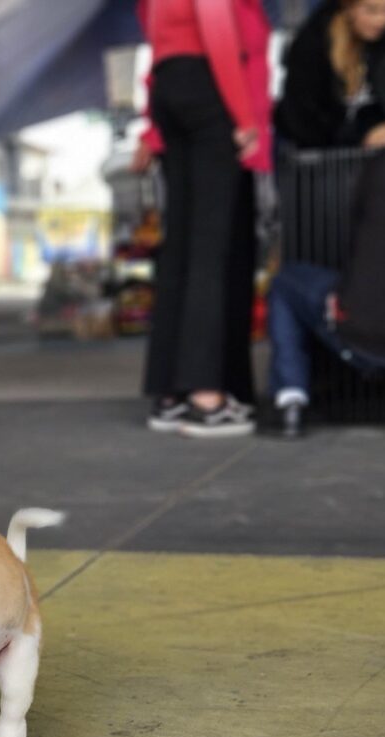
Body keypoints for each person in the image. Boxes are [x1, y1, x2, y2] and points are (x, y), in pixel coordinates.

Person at [133, 0, 271, 438]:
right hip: (210, 88)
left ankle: (170, 394)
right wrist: (245, 117)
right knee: (211, 247)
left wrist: (151, 128)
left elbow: (157, 43)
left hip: (173, 88)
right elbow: (217, 26)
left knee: (182, 247)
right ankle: (207, 398)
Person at [267, 141, 385, 436]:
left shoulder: (382, 165)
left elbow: (356, 242)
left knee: (285, 283)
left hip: (361, 336)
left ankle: (291, 400)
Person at [275, 0, 385, 150]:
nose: (381, 20)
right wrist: (363, 136)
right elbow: (301, 116)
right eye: (371, 10)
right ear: (349, 7)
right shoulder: (314, 43)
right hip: (322, 154)